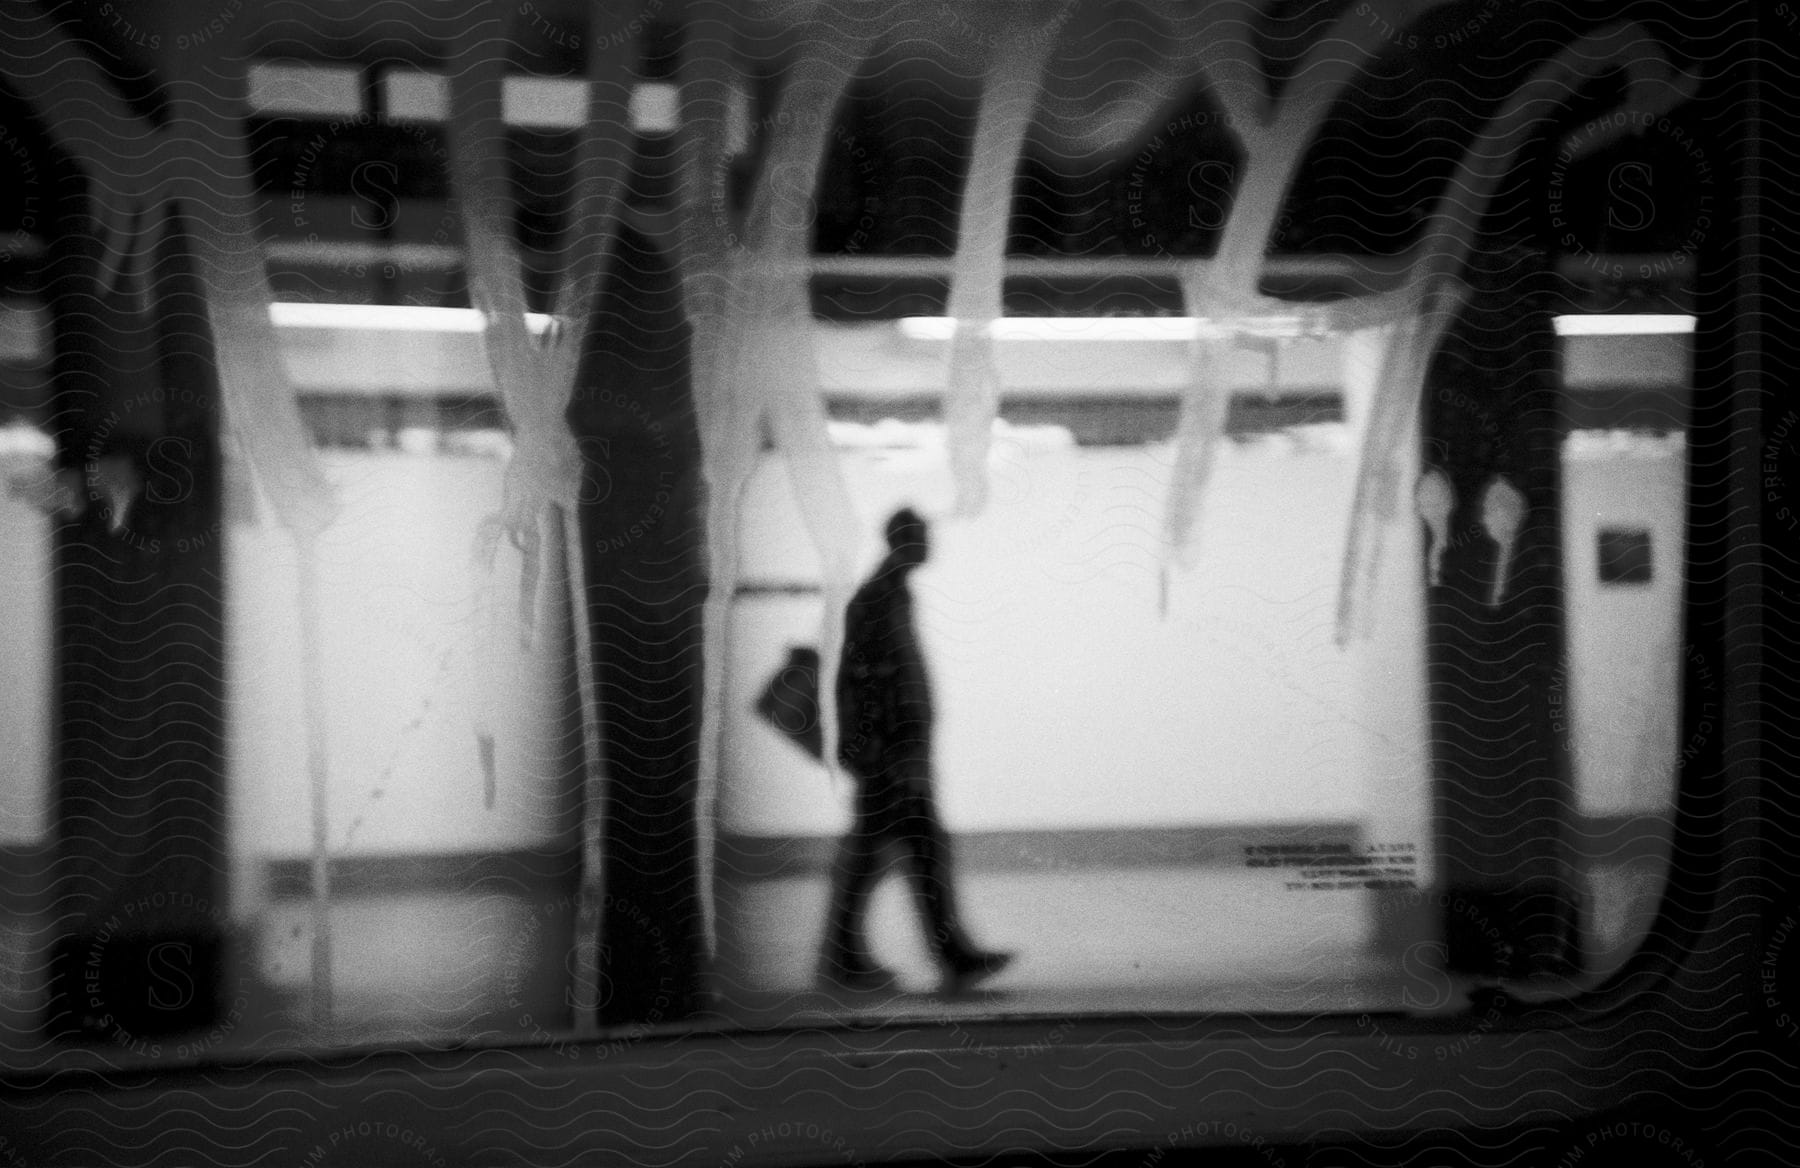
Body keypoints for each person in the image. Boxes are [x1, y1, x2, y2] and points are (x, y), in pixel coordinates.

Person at [818, 507, 1015, 994]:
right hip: (891, 755)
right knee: (914, 851)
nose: (930, 545)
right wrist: (889, 750)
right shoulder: (879, 597)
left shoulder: (888, 594)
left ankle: (855, 956)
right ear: (903, 540)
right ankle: (946, 955)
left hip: (892, 752)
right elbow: (870, 682)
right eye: (922, 536)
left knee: (881, 853)